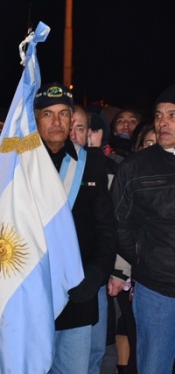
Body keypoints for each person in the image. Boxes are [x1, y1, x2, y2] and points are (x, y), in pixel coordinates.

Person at [33, 83, 117, 373]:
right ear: (36, 119)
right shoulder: (19, 164)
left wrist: (93, 276)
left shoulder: (91, 163)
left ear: (72, 120)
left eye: (63, 114)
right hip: (31, 297)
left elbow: (107, 231)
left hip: (77, 296)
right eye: (47, 114)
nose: (56, 122)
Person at [110, 84, 175, 373]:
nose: (163, 122)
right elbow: (118, 222)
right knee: (154, 366)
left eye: (173, 115)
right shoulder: (136, 166)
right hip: (157, 290)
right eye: (160, 115)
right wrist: (142, 258)